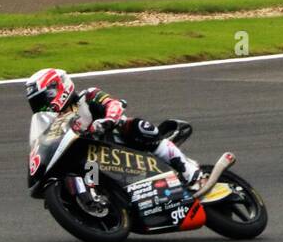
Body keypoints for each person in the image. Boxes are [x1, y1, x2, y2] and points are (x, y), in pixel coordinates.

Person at [25, 67, 204, 188]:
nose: (42, 106)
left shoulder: (88, 96)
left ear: (58, 88)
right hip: (93, 159)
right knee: (85, 176)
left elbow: (114, 104)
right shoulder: (55, 123)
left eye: (44, 99)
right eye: (37, 103)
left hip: (119, 142)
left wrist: (108, 120)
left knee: (139, 126)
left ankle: (190, 172)